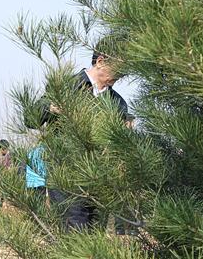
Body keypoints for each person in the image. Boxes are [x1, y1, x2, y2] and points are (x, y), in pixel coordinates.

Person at [25, 48, 128, 230]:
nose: (121, 75)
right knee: (73, 236)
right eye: (119, 68)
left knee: (95, 241)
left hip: (99, 179)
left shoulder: (117, 103)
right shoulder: (67, 85)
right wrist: (51, 107)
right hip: (66, 178)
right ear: (100, 61)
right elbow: (30, 119)